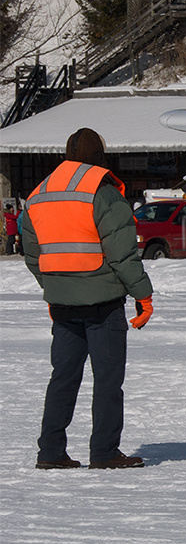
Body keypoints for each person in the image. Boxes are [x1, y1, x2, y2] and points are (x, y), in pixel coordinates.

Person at [21, 128, 154, 470]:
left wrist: (53, 288)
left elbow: (34, 254)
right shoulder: (103, 193)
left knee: (63, 379)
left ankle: (50, 452)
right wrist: (144, 296)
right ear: (99, 159)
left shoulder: (39, 194)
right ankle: (105, 451)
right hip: (103, 303)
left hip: (63, 304)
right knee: (107, 380)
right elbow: (122, 254)